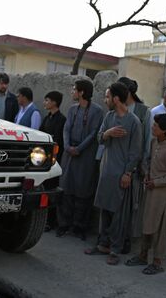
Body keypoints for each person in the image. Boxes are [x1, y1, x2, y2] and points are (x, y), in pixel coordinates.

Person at [84, 82, 142, 266]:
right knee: (104, 209)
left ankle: (115, 249)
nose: (105, 100)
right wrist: (108, 133)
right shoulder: (108, 117)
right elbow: (99, 137)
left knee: (118, 213)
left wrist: (127, 173)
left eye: (108, 97)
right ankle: (102, 244)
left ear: (116, 98)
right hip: (106, 170)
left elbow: (136, 152)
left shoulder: (133, 122)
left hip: (121, 173)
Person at [124, 114, 166, 275]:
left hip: (162, 194)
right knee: (147, 224)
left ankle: (157, 261)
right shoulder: (153, 142)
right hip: (149, 191)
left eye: (156, 125)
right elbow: (149, 162)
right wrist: (147, 173)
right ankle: (143, 255)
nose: (153, 127)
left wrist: (157, 182)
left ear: (164, 130)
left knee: (160, 228)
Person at [57, 80, 104, 240]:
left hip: (85, 156)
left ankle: (79, 226)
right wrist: (67, 146)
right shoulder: (72, 110)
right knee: (66, 189)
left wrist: (79, 149)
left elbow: (93, 134)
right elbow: (66, 128)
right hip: (69, 153)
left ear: (82, 92)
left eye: (74, 89)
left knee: (83, 192)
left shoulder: (97, 111)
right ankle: (64, 224)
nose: (72, 92)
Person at [117, 77, 150, 254]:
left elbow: (147, 141)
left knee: (132, 206)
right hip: (116, 164)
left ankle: (127, 238)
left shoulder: (143, 111)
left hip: (134, 168)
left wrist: (142, 167)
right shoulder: (116, 110)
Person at [40, 90, 67, 232]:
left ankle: (51, 221)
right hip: (42, 161)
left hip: (54, 161)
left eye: (47, 100)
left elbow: (57, 141)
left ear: (54, 102)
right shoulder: (47, 118)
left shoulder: (61, 120)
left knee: (51, 191)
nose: (45, 103)